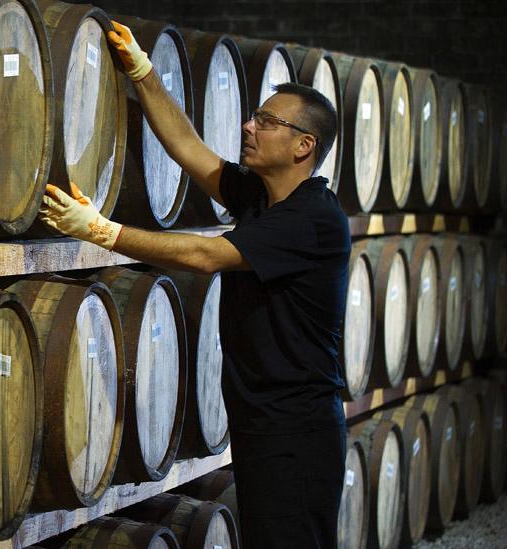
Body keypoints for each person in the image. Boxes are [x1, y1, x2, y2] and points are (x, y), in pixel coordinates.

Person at [39, 21, 350, 549]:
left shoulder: (313, 218)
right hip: (262, 422)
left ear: (304, 145)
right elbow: (188, 145)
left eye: (267, 121)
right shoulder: (261, 196)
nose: (250, 127)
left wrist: (101, 231)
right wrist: (143, 72)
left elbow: (206, 255)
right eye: (254, 117)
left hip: (296, 431)